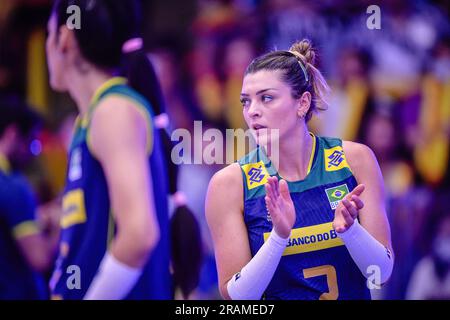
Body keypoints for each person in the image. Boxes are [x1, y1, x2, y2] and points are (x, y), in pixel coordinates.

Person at [206, 39, 394, 300]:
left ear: (303, 103)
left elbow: (381, 274)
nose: (253, 112)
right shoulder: (230, 184)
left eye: (267, 98)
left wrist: (351, 231)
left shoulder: (355, 159)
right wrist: (279, 237)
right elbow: (237, 298)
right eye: (246, 102)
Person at [46, 0, 172, 299]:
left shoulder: (113, 110)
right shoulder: (89, 119)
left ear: (64, 38)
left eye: (48, 33)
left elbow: (139, 234)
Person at [0, 97, 58, 299]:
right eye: (32, 142)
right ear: (13, 134)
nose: (33, 154)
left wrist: (37, 218)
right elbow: (39, 258)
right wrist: (63, 222)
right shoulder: (13, 186)